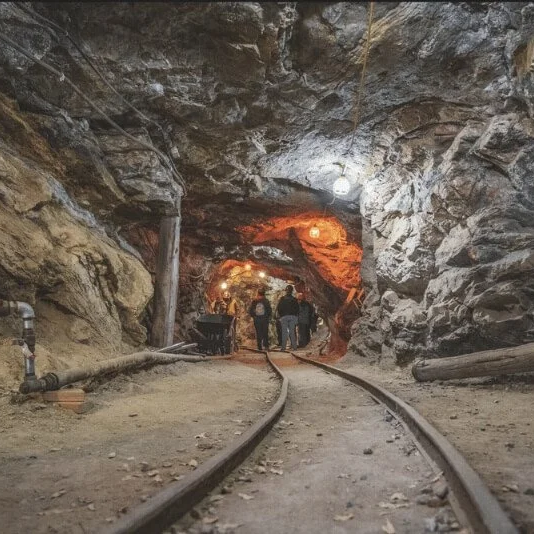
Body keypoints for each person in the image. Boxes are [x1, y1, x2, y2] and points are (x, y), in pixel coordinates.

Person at [276, 284, 299, 351]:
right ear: (292, 291)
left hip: (284, 317)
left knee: (284, 332)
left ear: (286, 291)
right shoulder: (294, 299)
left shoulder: (282, 299)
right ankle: (294, 347)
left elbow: (279, 308)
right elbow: (297, 309)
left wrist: (281, 315)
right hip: (292, 317)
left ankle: (283, 347)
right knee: (292, 332)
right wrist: (295, 315)